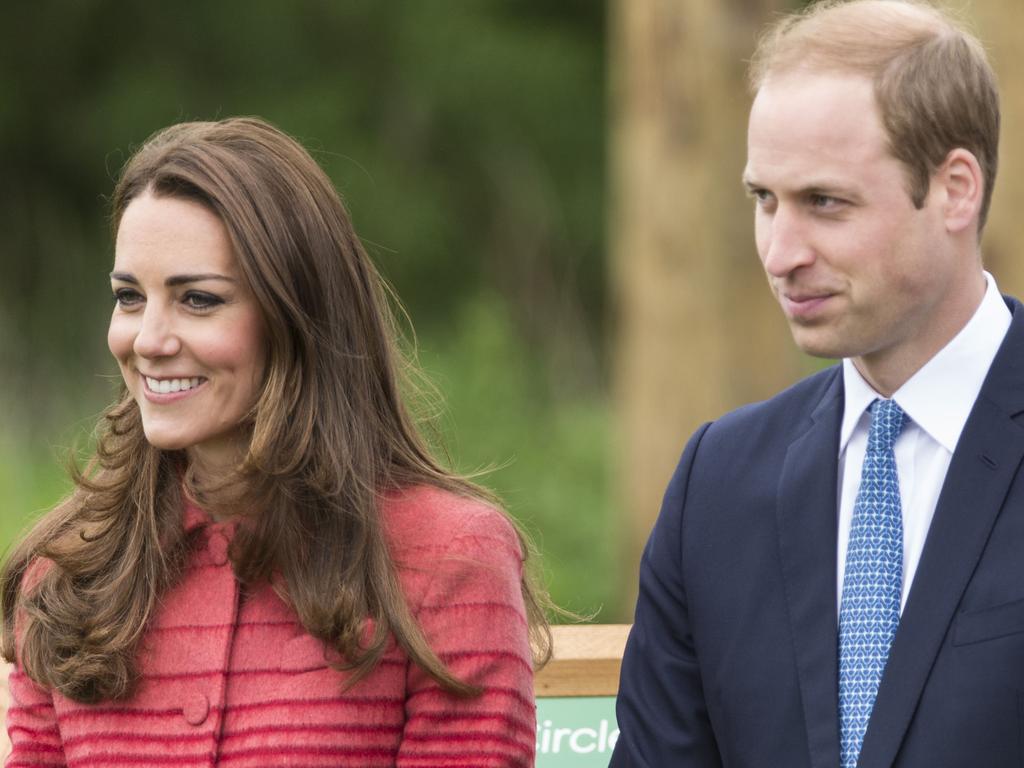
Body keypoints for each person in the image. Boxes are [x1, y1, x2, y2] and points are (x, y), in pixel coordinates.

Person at [2, 117, 547, 767]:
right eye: (129, 297)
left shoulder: (450, 558)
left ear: (298, 315)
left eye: (197, 299)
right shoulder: (68, 573)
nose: (148, 339)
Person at [611, 1, 1021, 766]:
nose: (780, 252)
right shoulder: (717, 483)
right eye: (764, 200)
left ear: (955, 190)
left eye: (824, 203)